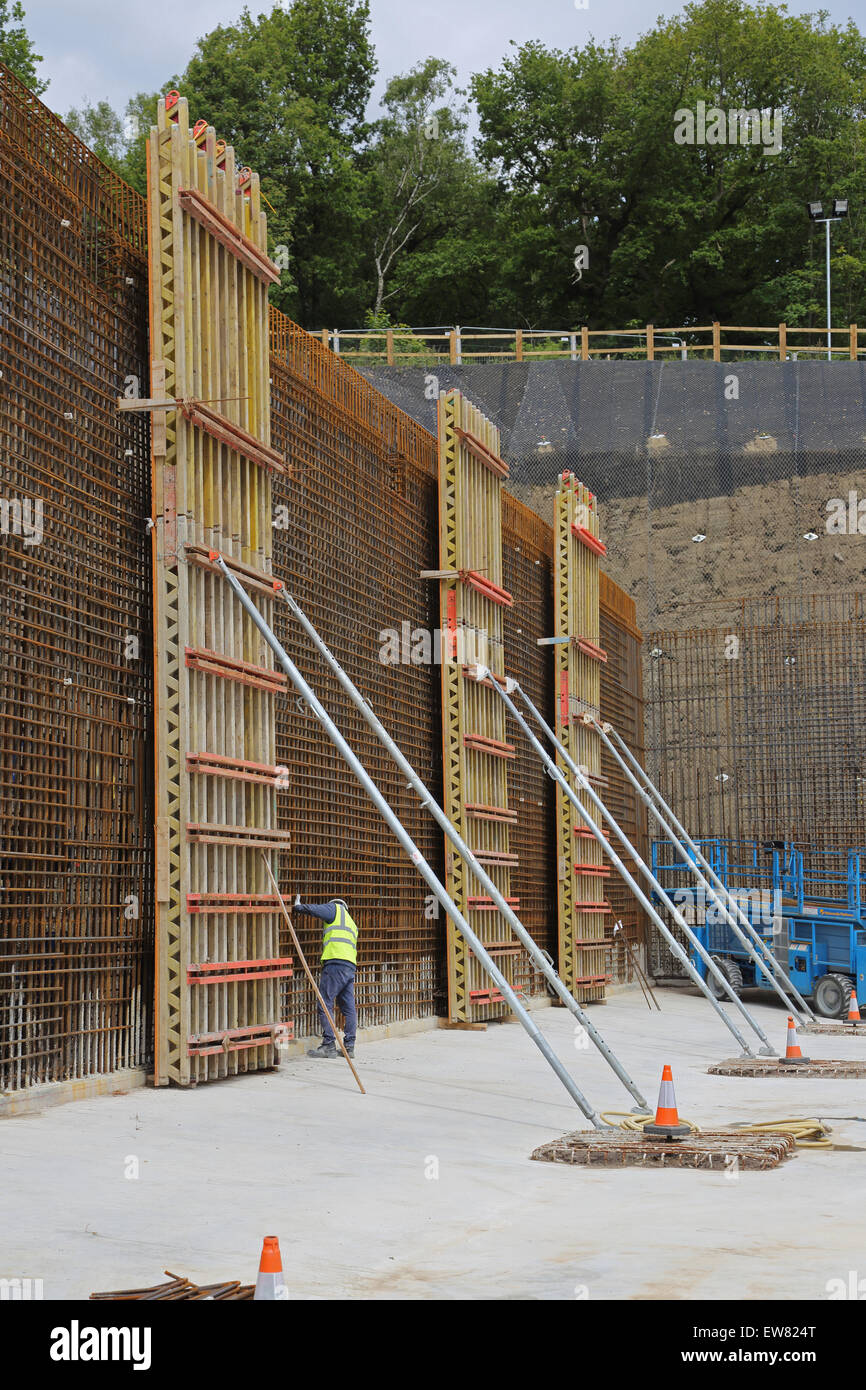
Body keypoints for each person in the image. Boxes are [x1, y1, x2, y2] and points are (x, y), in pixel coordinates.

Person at [293, 895, 359, 1058]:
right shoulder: (352, 923)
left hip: (335, 963)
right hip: (349, 967)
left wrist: (299, 907)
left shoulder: (335, 909)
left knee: (324, 1002)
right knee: (349, 1007)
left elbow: (317, 910)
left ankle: (328, 1045)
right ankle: (349, 1047)